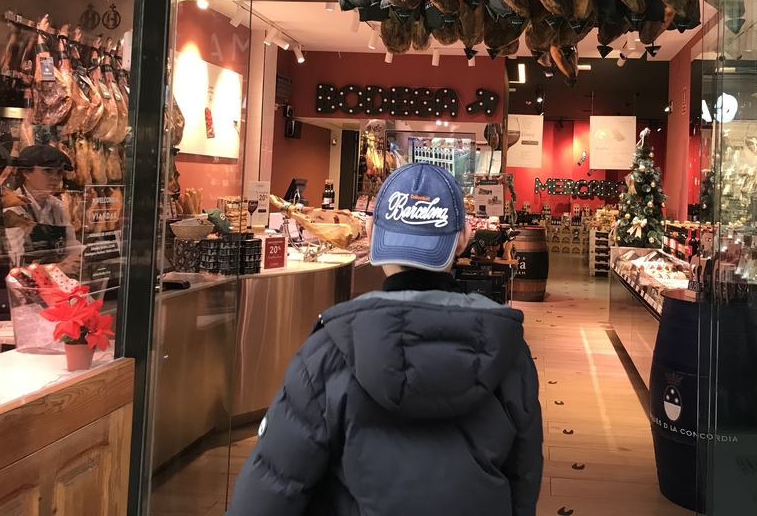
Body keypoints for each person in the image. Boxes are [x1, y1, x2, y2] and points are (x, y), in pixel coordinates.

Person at [227, 163, 543, 516]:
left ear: (374, 232)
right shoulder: (509, 352)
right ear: (464, 238)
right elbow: (523, 477)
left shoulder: (326, 352)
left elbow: (269, 491)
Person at [4, 145, 81, 275]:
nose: (55, 178)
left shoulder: (57, 206)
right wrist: (57, 269)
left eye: (59, 172)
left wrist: (80, 258)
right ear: (27, 173)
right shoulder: (13, 209)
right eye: (48, 171)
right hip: (24, 290)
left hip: (55, 288)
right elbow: (13, 268)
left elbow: (71, 245)